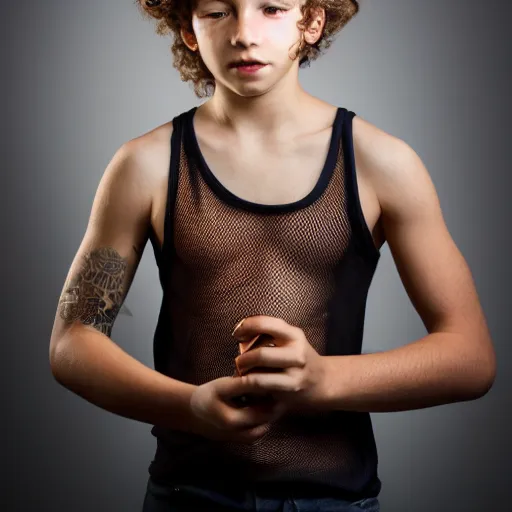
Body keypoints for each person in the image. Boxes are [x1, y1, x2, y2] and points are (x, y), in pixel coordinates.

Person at [49, 0, 496, 510]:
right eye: (218, 11)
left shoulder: (381, 163)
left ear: (311, 22)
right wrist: (190, 406)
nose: (244, 33)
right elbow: (72, 341)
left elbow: (471, 357)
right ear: (187, 28)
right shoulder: (145, 165)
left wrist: (325, 380)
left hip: (336, 501)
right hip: (186, 496)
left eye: (271, 9)